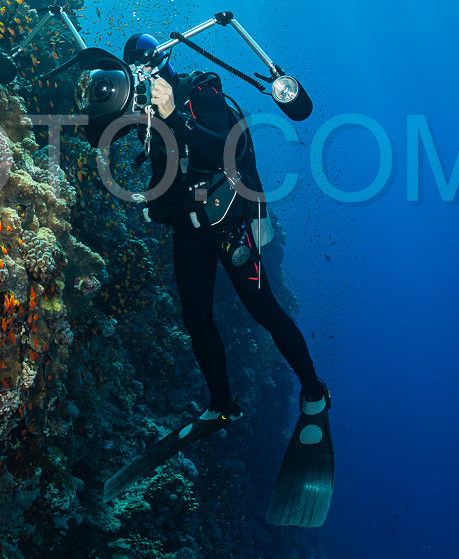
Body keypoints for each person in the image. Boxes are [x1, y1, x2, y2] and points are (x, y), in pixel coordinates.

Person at [123, 33, 328, 425]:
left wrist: (174, 116)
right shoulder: (143, 111)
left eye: (147, 63)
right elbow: (165, 172)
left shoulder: (199, 91)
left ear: (164, 58)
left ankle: (314, 389)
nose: (143, 73)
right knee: (196, 319)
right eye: (135, 68)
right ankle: (220, 405)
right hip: (188, 227)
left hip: (226, 223)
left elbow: (225, 149)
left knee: (263, 309)